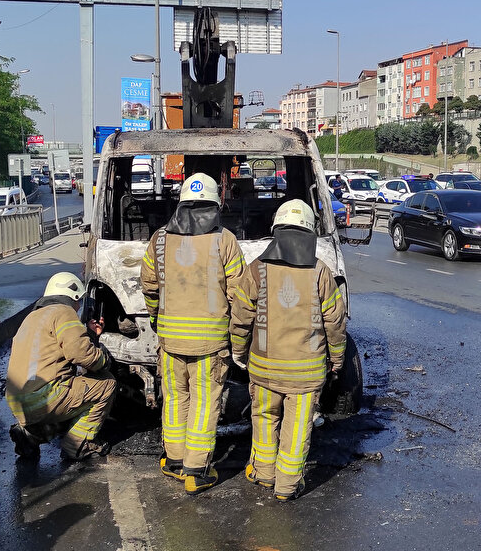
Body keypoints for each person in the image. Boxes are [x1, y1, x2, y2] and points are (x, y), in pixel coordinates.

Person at [230, 200, 347, 501]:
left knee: (265, 420)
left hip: (265, 370)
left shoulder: (256, 269)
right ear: (309, 233)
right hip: (305, 374)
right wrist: (337, 359)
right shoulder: (320, 272)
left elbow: (241, 317)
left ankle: (265, 475)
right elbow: (335, 322)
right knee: (297, 430)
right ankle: (287, 486)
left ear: (276, 231)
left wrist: (239, 353)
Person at [140, 173, 245, 494]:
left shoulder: (159, 239)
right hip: (211, 343)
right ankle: (196, 471)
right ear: (216, 204)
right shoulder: (225, 240)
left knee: (174, 398)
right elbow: (238, 294)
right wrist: (239, 337)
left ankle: (173, 460)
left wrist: (159, 319)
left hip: (170, 342)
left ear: (181, 202)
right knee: (204, 402)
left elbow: (148, 285)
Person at [6, 272, 117, 462]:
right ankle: (77, 446)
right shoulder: (64, 312)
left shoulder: (32, 317)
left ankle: (30, 436)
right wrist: (104, 359)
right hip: (44, 397)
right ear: (72, 296)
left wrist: (89, 335)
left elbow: (55, 350)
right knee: (106, 384)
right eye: (78, 301)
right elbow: (82, 355)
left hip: (19, 401)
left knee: (70, 400)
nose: (78, 306)